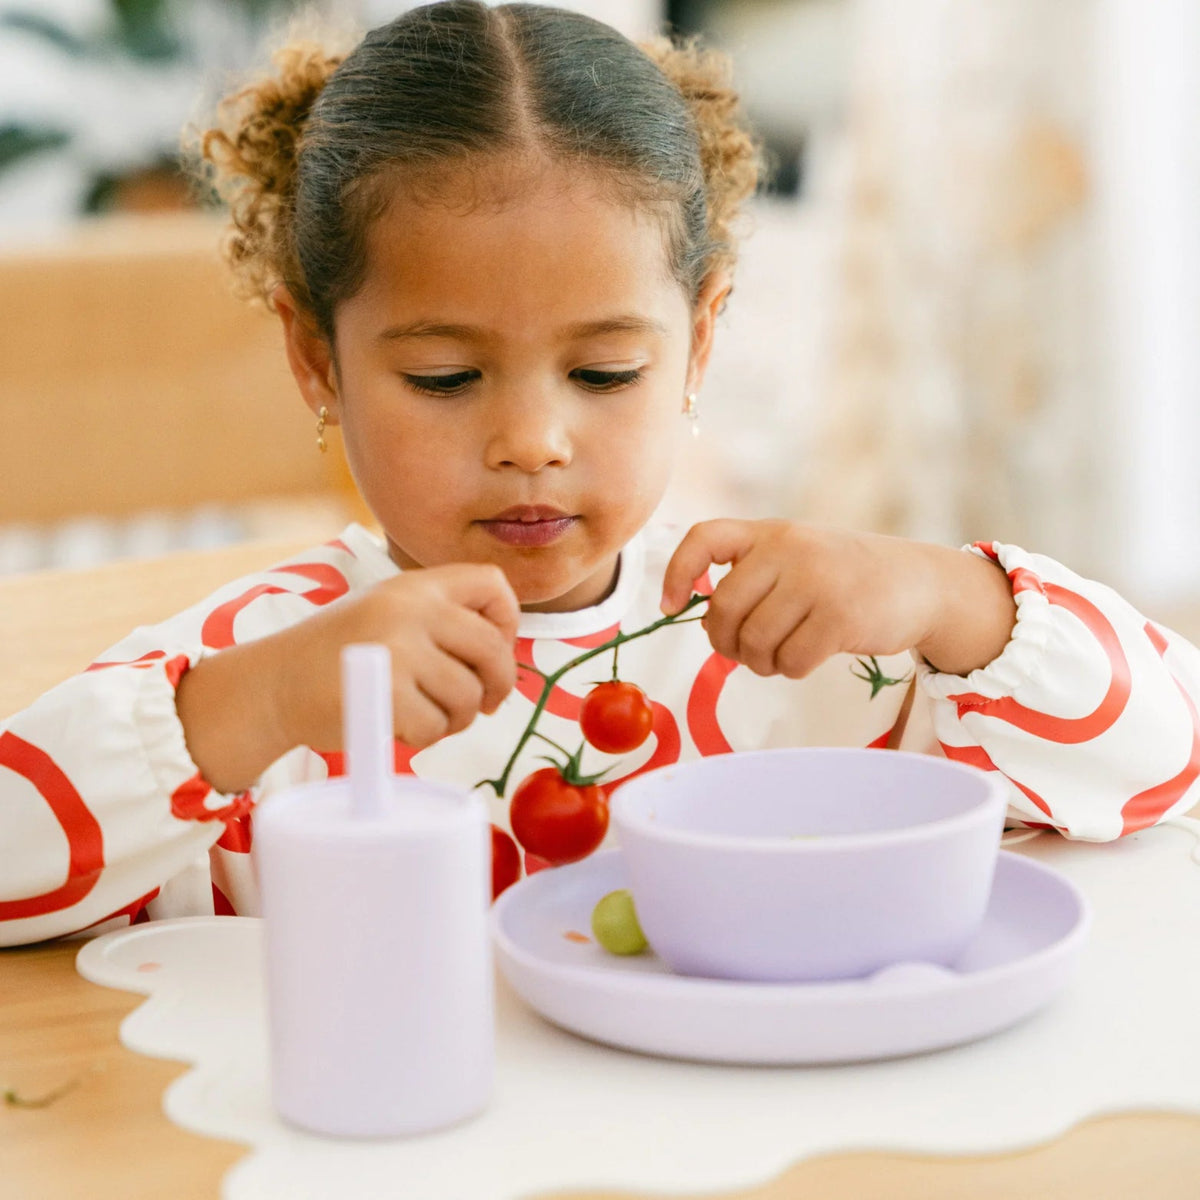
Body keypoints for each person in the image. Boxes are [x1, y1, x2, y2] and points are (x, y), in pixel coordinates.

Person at [2, 0, 1198, 947]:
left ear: (703, 340)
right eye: (444, 380)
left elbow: (1170, 764)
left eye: (607, 372)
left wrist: (956, 603)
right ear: (318, 357)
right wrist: (259, 706)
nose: (534, 441)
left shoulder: (807, 647)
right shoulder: (275, 669)